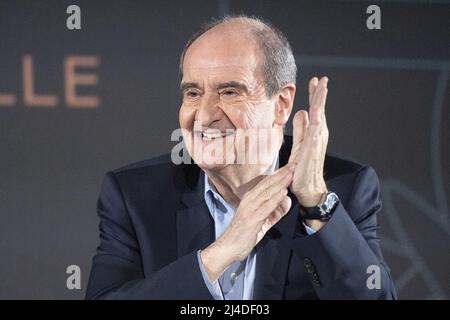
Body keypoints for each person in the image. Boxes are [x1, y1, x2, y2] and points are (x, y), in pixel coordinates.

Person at [86, 15, 396, 300]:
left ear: (282, 104)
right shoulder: (135, 196)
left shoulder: (345, 190)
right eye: (193, 93)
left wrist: (315, 204)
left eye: (229, 92)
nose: (205, 116)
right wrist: (220, 253)